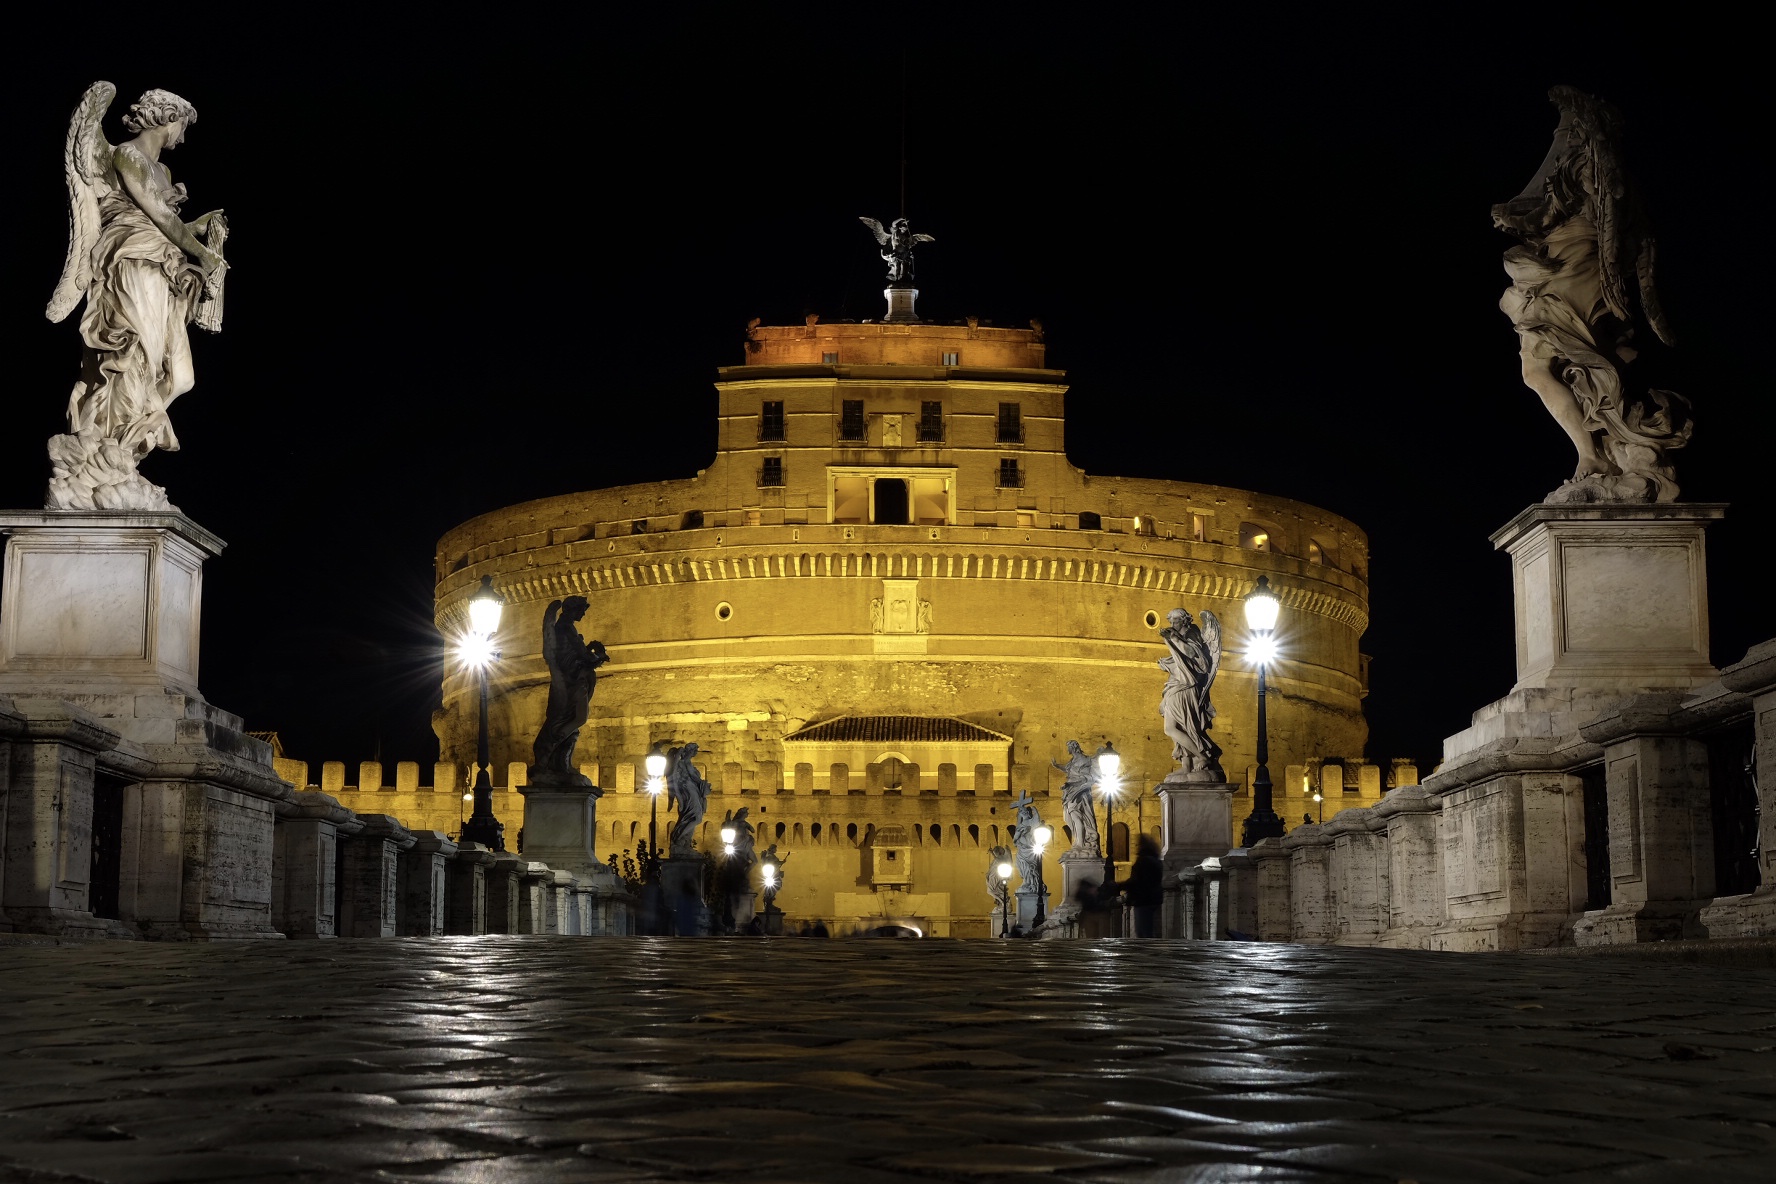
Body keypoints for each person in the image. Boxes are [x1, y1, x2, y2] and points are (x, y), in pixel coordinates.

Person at [1116, 836, 1164, 938]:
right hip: (1153, 899)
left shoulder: (1143, 861)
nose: (1135, 847)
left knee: (1143, 932)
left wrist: (1118, 886)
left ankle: (1148, 952)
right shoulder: (1155, 860)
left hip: (1143, 900)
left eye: (1137, 845)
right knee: (1149, 930)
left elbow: (1137, 881)